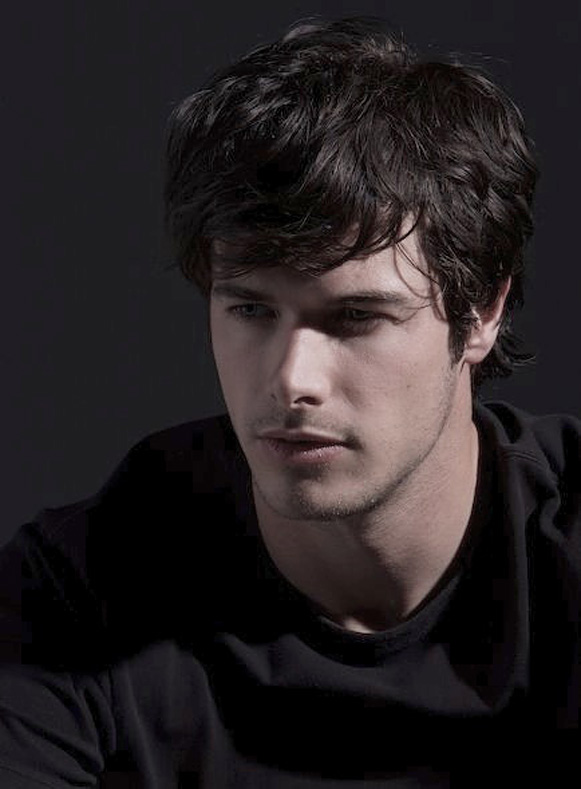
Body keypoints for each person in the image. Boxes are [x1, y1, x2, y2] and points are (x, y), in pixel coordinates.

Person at [0, 16, 579, 788]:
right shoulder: (71, 593)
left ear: (480, 313)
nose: (291, 379)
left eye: (356, 316)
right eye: (250, 309)